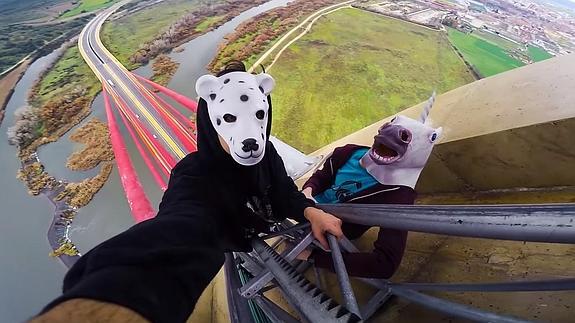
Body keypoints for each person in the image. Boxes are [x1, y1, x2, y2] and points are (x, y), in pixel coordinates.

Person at [32, 62, 343, 323]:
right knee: (242, 253)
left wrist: (308, 210)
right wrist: (119, 294)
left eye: (258, 116)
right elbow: (186, 223)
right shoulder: (193, 174)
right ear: (212, 119)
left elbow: (284, 190)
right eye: (230, 118)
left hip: (265, 221)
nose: (250, 136)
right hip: (238, 237)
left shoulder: (268, 154)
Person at [300, 97, 443, 279]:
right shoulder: (348, 152)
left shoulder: (398, 199)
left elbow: (384, 265)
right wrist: (308, 191)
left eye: (390, 149)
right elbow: (322, 175)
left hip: (329, 234)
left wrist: (315, 257)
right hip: (304, 209)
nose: (383, 150)